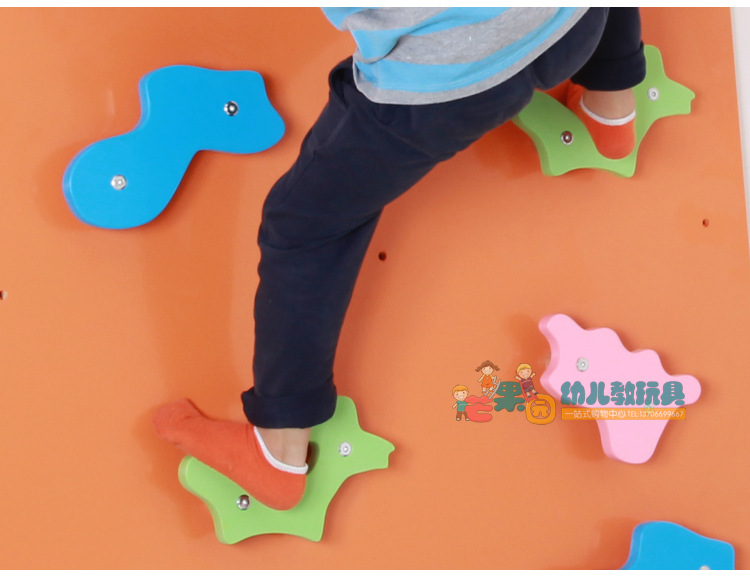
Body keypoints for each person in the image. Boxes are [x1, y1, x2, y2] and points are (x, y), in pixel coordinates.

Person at [153, 8, 646, 511]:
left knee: (301, 225)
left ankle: (278, 447)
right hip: (574, 26)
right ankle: (613, 104)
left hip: (453, 85)